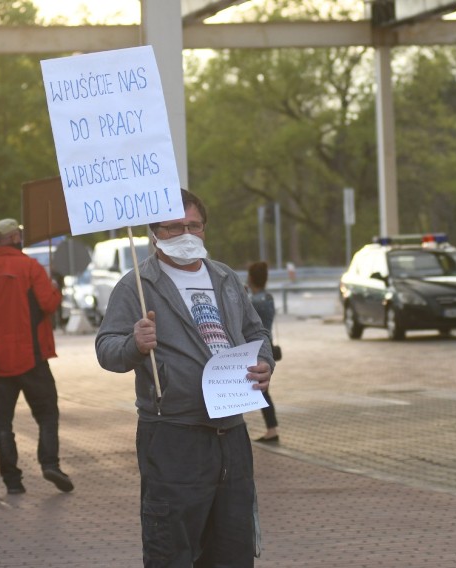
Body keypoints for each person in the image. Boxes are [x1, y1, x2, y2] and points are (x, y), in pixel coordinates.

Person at [95, 189, 274, 567]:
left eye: (194, 225)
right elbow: (106, 349)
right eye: (175, 227)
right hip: (175, 435)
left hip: (232, 433)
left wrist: (263, 363)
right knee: (171, 549)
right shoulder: (138, 286)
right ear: (155, 233)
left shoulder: (225, 277)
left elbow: (257, 333)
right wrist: (134, 344)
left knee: (232, 548)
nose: (186, 234)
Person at [0, 218, 74, 495]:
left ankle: (12, 481)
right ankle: (50, 463)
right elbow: (49, 304)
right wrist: (56, 285)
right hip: (32, 357)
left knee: (3, 423)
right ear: (13, 238)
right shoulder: (30, 267)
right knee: (47, 413)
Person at [247, 261, 280, 443]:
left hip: (254, 348)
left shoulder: (253, 302)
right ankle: (271, 428)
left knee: (261, 390)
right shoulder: (269, 298)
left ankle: (272, 429)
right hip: (267, 345)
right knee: (263, 389)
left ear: (251, 278)